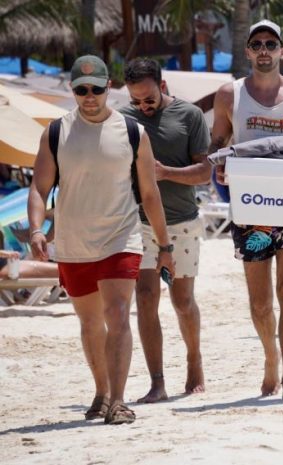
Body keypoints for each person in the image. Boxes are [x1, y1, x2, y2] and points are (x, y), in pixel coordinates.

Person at [27, 55, 174, 424]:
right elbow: (38, 188)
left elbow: (150, 193)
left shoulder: (132, 132)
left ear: (109, 87)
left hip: (120, 237)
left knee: (118, 314)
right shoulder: (56, 132)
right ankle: (102, 391)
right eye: (81, 90)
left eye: (96, 89)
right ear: (72, 90)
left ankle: (119, 401)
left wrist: (165, 245)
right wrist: (34, 230)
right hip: (74, 243)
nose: (89, 96)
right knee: (90, 323)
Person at [209, 20, 283, 402]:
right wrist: (219, 163)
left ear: (282, 51)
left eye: (270, 44)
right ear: (247, 51)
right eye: (256, 44)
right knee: (260, 302)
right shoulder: (229, 95)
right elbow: (217, 142)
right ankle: (271, 357)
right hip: (250, 205)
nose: (263, 50)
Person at [121, 58, 211, 403]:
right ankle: (157, 382)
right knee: (145, 299)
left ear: (163, 85)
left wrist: (166, 173)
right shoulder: (125, 121)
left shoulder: (189, 116)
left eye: (149, 99)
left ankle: (193, 359)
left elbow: (205, 172)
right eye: (136, 101)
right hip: (138, 222)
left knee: (182, 300)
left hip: (183, 222)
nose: (143, 107)